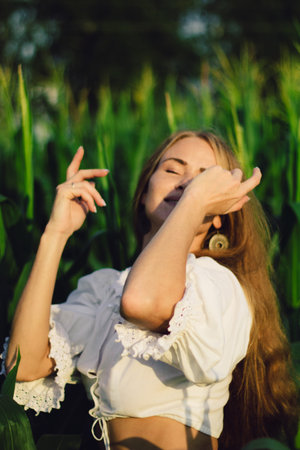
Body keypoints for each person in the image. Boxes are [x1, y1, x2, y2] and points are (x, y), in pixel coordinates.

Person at [1, 131, 298, 450]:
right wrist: (55, 234)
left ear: (220, 215)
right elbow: (24, 366)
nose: (187, 183)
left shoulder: (216, 284)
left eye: (204, 180)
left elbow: (142, 303)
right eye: (173, 170)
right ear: (143, 192)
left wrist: (194, 202)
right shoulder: (105, 287)